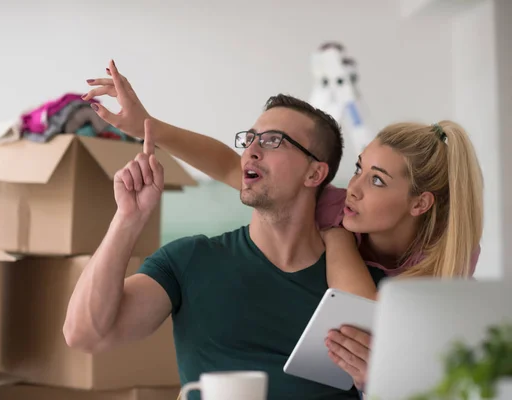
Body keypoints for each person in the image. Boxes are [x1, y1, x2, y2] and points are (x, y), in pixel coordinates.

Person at [78, 60, 484, 395]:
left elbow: (379, 335)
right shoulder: (335, 209)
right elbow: (224, 162)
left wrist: (382, 383)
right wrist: (145, 129)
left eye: (273, 141)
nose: (355, 188)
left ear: (315, 172)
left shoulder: (434, 269)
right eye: (359, 171)